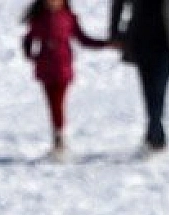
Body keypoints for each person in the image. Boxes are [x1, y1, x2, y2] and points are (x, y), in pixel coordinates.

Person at [108, 0, 169, 153]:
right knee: (149, 89)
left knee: (158, 88)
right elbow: (118, 3)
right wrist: (114, 33)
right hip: (140, 37)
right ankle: (154, 132)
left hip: (168, 39)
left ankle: (156, 134)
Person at [22, 0, 108, 159]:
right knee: (52, 103)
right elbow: (29, 38)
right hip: (45, 67)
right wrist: (30, 54)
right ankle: (58, 138)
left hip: (63, 67)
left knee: (58, 102)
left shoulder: (69, 17)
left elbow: (83, 39)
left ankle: (59, 139)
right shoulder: (39, 18)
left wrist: (105, 43)